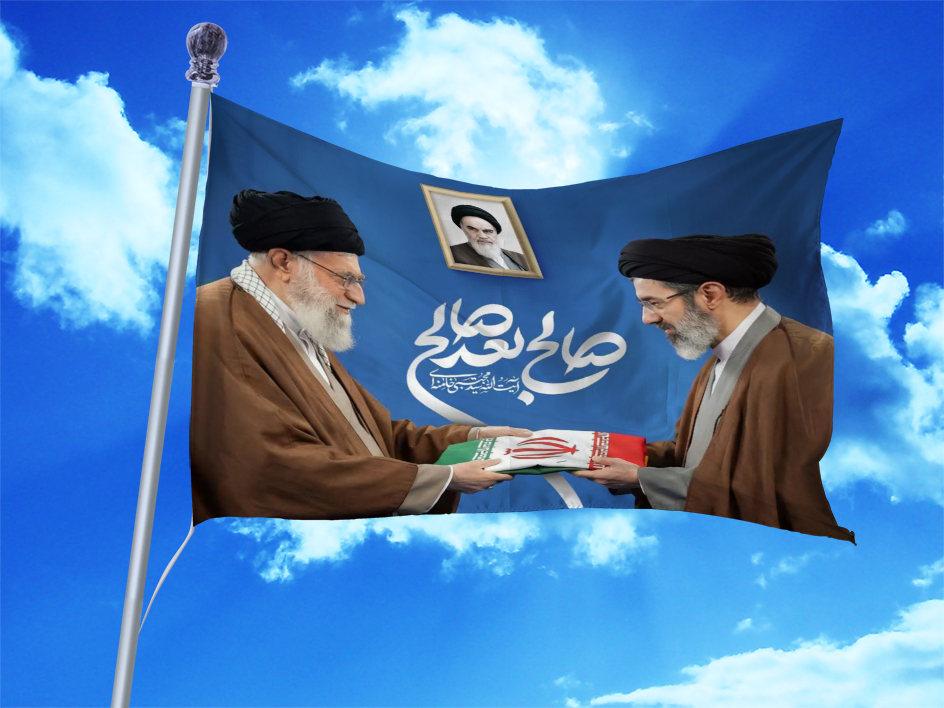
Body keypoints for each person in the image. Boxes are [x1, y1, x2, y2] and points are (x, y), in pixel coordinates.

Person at [191, 190, 529, 524]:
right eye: (345, 278)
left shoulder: (295, 321)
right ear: (283, 262)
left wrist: (474, 439)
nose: (358, 297)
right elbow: (269, 466)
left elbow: (376, 439)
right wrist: (443, 479)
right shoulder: (209, 321)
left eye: (358, 280)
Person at [572, 233, 854, 542]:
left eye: (653, 303)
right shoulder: (720, 361)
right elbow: (692, 457)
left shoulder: (804, 357)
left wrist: (641, 478)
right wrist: (582, 449)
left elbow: (761, 490)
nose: (647, 319)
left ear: (710, 294)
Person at [448, 204, 529, 271]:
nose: (482, 236)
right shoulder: (452, 254)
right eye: (473, 229)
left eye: (488, 231)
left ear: (495, 233)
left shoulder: (521, 258)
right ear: (464, 230)